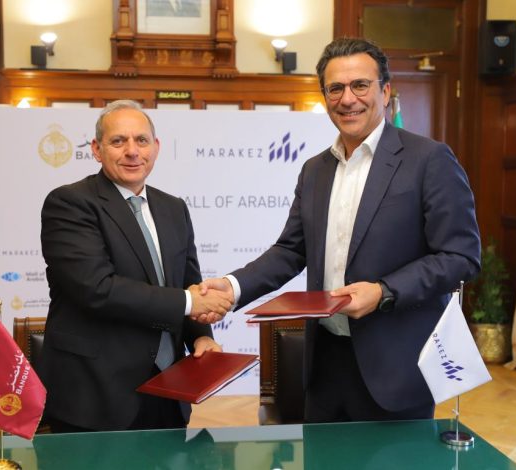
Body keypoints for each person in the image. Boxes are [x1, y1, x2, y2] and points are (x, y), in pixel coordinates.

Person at [199, 38, 481, 423]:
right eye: (335, 88)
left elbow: (461, 257)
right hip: (324, 364)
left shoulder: (429, 160)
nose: (348, 99)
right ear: (325, 97)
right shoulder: (315, 170)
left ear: (385, 91)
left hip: (395, 368)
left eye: (360, 85)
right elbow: (290, 251)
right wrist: (232, 287)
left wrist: (383, 291)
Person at [38, 100, 232, 432]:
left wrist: (201, 336)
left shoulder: (174, 208)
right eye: (118, 141)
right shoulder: (70, 203)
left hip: (169, 389)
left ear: (155, 147)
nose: (132, 151)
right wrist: (190, 302)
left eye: (141, 140)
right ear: (96, 149)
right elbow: (97, 289)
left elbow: (188, 283)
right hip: (95, 396)